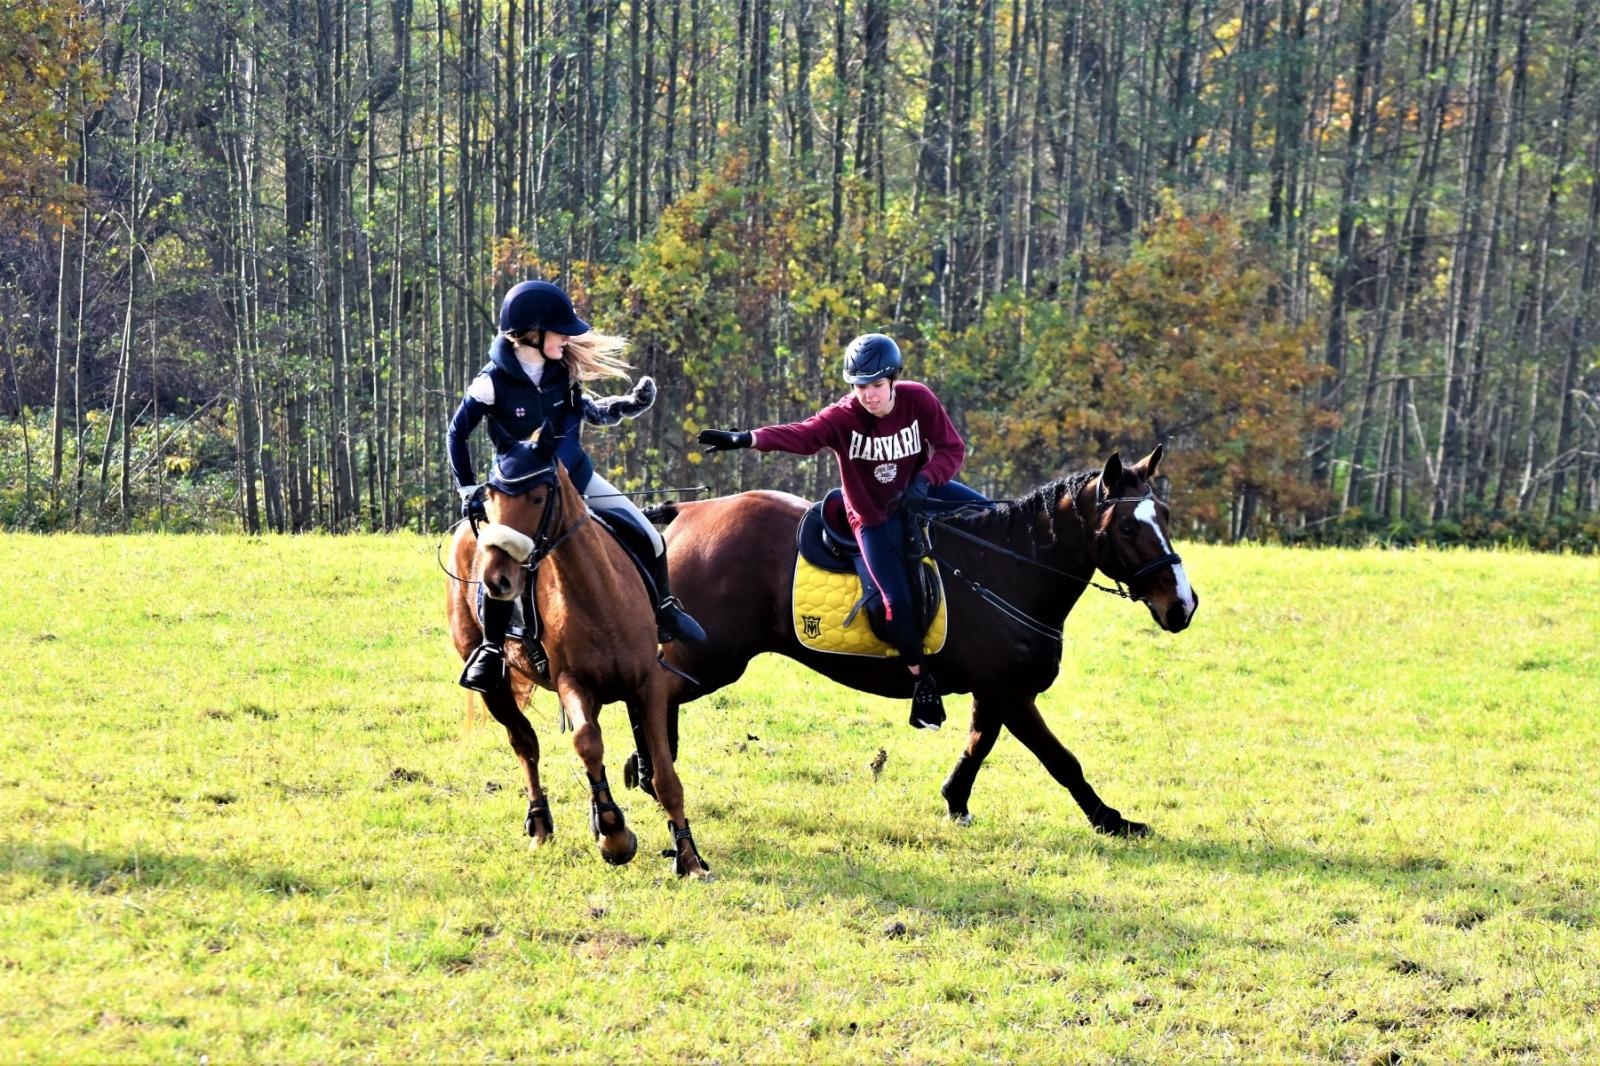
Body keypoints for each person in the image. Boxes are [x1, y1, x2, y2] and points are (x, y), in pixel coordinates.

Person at [697, 333, 987, 730]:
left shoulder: (919, 400)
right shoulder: (845, 416)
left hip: (920, 495)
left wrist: (925, 480)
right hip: (873, 518)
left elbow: (952, 449)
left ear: (894, 380)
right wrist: (747, 438)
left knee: (989, 518)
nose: (869, 395)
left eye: (876, 386)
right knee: (896, 602)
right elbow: (802, 434)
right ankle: (923, 684)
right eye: (860, 387)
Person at [449, 279, 706, 693]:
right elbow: (456, 435)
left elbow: (586, 411)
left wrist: (626, 405)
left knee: (649, 536)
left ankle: (664, 608)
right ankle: (493, 648)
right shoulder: (490, 382)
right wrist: (468, 490)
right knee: (501, 563)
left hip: (575, 477)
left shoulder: (562, 369)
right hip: (521, 490)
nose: (568, 337)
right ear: (531, 333)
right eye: (560, 330)